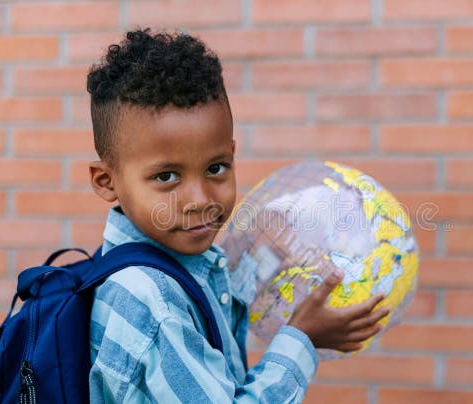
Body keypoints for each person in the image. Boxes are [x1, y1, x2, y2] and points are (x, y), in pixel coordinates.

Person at [85, 28, 389, 403]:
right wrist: (303, 339)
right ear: (106, 181)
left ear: (232, 152)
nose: (199, 199)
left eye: (215, 168)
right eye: (166, 176)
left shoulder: (182, 265)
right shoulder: (152, 299)